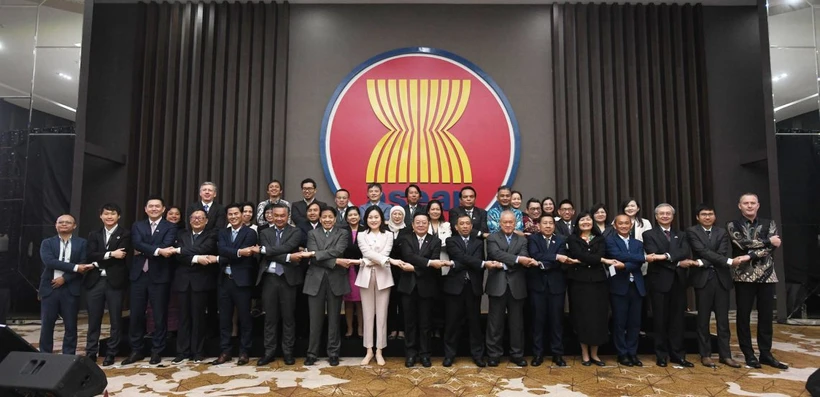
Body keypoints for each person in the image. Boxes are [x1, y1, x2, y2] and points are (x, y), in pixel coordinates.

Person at [727, 193, 788, 369]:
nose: (749, 206)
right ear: (739, 206)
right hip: (743, 276)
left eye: (752, 203)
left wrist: (750, 255)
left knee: (766, 317)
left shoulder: (770, 223)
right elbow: (741, 243)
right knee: (744, 316)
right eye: (745, 203)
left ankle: (766, 353)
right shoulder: (732, 225)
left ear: (758, 205)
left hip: (767, 276)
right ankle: (748, 354)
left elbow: (771, 249)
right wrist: (767, 241)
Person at [121, 197, 177, 366]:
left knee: (159, 314)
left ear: (163, 209)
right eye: (150, 206)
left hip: (159, 276)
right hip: (139, 275)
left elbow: (166, 244)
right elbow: (137, 243)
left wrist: (146, 249)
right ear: (145, 209)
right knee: (136, 314)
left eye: (157, 206)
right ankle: (136, 349)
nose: (154, 209)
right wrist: (158, 250)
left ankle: (157, 350)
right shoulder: (138, 225)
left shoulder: (170, 227)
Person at [686, 204, 741, 368]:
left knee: (723, 321)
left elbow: (722, 252)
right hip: (703, 280)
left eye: (710, 214)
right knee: (703, 320)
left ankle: (726, 355)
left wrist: (701, 262)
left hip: (721, 280)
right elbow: (700, 250)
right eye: (703, 214)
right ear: (698, 217)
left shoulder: (722, 232)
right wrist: (727, 262)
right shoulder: (692, 231)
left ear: (715, 216)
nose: (707, 217)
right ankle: (705, 354)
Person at [606, 214, 664, 367]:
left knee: (635, 323)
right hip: (619, 287)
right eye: (621, 223)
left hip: (637, 287)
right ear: (615, 226)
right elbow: (616, 256)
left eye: (627, 223)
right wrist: (642, 258)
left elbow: (636, 263)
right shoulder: (610, 241)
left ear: (631, 225)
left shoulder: (638, 242)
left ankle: (632, 353)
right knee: (619, 322)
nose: (624, 226)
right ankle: (622, 354)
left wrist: (627, 264)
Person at [643, 203, 696, 368]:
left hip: (678, 283)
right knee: (660, 320)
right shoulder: (648, 234)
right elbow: (653, 252)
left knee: (677, 321)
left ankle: (677, 355)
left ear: (672, 217)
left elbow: (684, 252)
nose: (665, 216)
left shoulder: (681, 234)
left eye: (668, 214)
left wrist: (664, 256)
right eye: (661, 214)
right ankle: (661, 355)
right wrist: (678, 262)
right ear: (656, 216)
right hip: (659, 282)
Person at [566, 211, 620, 366]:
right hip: (579, 283)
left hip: (599, 283)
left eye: (588, 219)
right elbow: (578, 254)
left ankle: (595, 354)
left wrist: (588, 259)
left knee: (598, 318)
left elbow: (586, 256)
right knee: (582, 317)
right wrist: (601, 259)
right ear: (577, 223)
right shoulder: (572, 238)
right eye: (582, 220)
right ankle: (584, 354)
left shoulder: (600, 238)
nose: (585, 222)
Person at [485, 211, 538, 367]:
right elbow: (494, 253)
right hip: (497, 285)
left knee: (517, 323)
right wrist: (516, 259)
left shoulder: (522, 240)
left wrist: (506, 262)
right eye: (505, 222)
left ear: (515, 224)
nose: (508, 225)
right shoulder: (492, 238)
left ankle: (517, 354)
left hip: (517, 285)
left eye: (511, 222)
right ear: (500, 223)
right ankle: (494, 355)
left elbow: (524, 256)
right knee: (495, 323)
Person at [256, 203, 305, 366]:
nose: (279, 218)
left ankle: (288, 353)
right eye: (276, 215)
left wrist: (264, 251)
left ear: (288, 216)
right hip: (270, 279)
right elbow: (285, 251)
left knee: (288, 317)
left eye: (282, 216)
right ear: (271, 215)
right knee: (270, 318)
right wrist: (287, 257)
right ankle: (269, 352)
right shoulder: (264, 232)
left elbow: (288, 247)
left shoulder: (296, 231)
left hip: (288, 279)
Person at [302, 207, 351, 366]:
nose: (328, 219)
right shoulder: (312, 233)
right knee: (314, 320)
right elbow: (315, 256)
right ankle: (312, 353)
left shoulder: (343, 233)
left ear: (335, 219)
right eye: (325, 217)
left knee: (334, 319)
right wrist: (335, 261)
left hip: (335, 279)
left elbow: (338, 250)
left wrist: (316, 254)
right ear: (320, 218)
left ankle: (333, 353)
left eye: (331, 217)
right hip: (315, 280)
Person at [356, 206, 405, 366]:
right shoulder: (361, 234)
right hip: (365, 277)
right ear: (366, 219)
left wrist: (368, 261)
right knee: (368, 315)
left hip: (383, 277)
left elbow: (385, 253)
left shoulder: (388, 235)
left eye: (376, 217)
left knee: (382, 315)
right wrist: (384, 260)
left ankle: (379, 350)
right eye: (370, 217)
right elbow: (366, 252)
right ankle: (368, 350)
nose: (373, 220)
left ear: (381, 218)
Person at [212, 203, 258, 366]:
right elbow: (222, 250)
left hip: (242, 281)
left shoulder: (251, 233)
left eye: (236, 214)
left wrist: (233, 252)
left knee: (245, 318)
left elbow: (246, 254)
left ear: (242, 215)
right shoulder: (222, 232)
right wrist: (238, 252)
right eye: (230, 214)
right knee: (224, 318)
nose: (233, 216)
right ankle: (225, 351)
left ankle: (244, 351)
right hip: (224, 280)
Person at [398, 212, 446, 368]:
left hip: (427, 287)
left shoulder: (435, 240)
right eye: (417, 222)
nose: (420, 225)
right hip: (408, 287)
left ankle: (425, 355)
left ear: (428, 224)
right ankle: (410, 354)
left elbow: (435, 263)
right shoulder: (406, 238)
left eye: (424, 222)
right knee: (409, 323)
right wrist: (429, 263)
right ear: (412, 225)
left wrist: (416, 268)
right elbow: (408, 256)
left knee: (425, 324)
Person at [527, 215, 576, 367]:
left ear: (554, 226)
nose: (548, 226)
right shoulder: (533, 239)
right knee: (538, 321)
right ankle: (538, 354)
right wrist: (555, 257)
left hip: (556, 286)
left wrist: (544, 263)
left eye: (550, 223)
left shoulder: (561, 239)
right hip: (538, 286)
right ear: (539, 225)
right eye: (545, 223)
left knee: (557, 321)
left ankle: (558, 354)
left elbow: (562, 261)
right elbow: (535, 255)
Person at [85, 203, 130, 366]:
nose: (109, 216)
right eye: (106, 214)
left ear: (118, 216)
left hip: (115, 281)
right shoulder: (93, 234)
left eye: (112, 214)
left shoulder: (125, 233)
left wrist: (100, 259)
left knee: (115, 320)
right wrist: (110, 254)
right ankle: (91, 352)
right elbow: (90, 255)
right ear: (101, 216)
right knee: (93, 319)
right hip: (95, 280)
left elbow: (123, 255)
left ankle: (111, 352)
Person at [39, 215, 92, 355]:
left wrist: (65, 278)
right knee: (47, 325)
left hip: (70, 288)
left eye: (67, 222)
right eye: (60, 222)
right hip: (50, 288)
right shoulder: (47, 243)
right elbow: (50, 262)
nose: (64, 224)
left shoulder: (82, 243)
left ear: (74, 226)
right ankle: (45, 354)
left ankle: (68, 356)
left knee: (70, 326)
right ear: (55, 225)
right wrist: (74, 267)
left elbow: (84, 264)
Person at [171, 209, 218, 363]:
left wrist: (181, 251)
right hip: (183, 281)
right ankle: (182, 351)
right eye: (194, 217)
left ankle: (198, 351)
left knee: (198, 318)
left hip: (201, 281)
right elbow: (178, 257)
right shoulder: (181, 234)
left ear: (206, 220)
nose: (197, 220)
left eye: (200, 218)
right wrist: (197, 259)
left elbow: (205, 249)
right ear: (189, 220)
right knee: (183, 317)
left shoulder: (211, 235)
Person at [443, 214, 489, 367]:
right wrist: (480, 263)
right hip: (455, 287)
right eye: (461, 224)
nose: (464, 226)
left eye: (467, 223)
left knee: (475, 323)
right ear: (456, 227)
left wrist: (457, 263)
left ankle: (478, 355)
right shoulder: (450, 241)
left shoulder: (478, 242)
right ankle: (449, 355)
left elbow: (462, 260)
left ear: (471, 226)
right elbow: (460, 256)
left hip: (473, 287)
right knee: (452, 323)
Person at [427, 199, 451, 338]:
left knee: (441, 299)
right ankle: (430, 328)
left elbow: (447, 242)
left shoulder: (446, 225)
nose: (435, 211)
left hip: (443, 264)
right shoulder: (424, 224)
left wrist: (432, 244)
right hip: (428, 266)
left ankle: (439, 328)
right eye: (432, 209)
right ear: (428, 211)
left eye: (438, 209)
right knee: (430, 299)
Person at [342, 207, 365, 338]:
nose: (353, 217)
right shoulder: (342, 231)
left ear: (359, 216)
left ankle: (361, 329)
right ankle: (350, 329)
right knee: (348, 301)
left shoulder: (364, 231)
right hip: (346, 270)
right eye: (350, 215)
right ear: (346, 218)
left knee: (360, 302)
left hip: (361, 269)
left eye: (355, 214)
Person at [387, 206, 408, 341]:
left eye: (400, 214)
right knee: (390, 301)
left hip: (403, 270)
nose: (397, 216)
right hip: (387, 269)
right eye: (394, 214)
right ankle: (392, 329)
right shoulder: (385, 229)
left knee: (403, 302)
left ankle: (402, 330)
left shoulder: (408, 230)